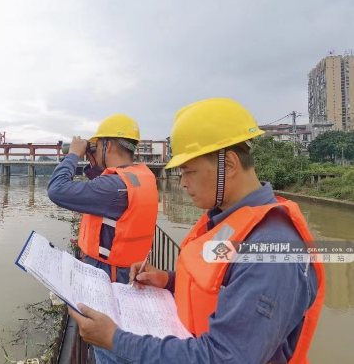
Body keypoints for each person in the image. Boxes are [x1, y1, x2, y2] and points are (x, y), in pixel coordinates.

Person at [67, 98, 326, 364]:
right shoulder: (229, 220)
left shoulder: (270, 249)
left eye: (189, 171)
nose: (182, 183)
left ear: (230, 165)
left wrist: (115, 339)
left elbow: (223, 358)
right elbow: (223, 280)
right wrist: (167, 280)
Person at [48, 114, 159, 285]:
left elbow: (56, 190)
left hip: (107, 279)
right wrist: (95, 163)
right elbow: (103, 190)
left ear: (109, 146)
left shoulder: (112, 187)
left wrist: (72, 155)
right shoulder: (139, 177)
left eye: (98, 146)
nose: (96, 150)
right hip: (130, 272)